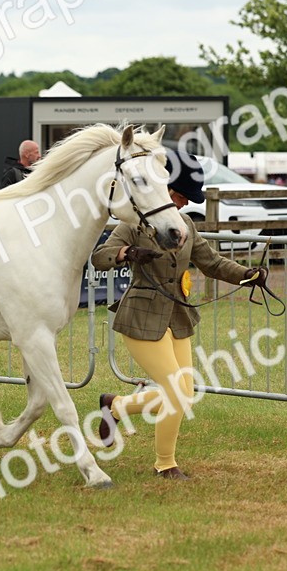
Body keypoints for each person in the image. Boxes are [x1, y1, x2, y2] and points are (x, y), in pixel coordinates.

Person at [90, 156, 268, 480]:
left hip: (177, 318)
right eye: (180, 195)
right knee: (176, 391)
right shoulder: (133, 223)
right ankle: (165, 464)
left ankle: (115, 407)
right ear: (165, 188)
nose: (184, 203)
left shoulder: (186, 227)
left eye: (188, 199)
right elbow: (100, 256)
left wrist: (248, 274)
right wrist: (127, 253)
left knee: (184, 392)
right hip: (141, 318)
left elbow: (212, 263)